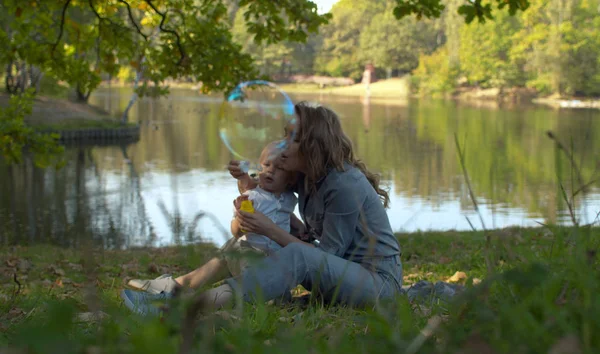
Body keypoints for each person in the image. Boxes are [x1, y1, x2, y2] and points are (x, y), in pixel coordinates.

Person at [123, 102, 403, 314]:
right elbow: (264, 185)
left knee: (295, 254)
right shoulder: (307, 177)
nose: (283, 145)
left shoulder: (343, 184)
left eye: (292, 138)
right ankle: (179, 287)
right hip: (339, 277)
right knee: (245, 244)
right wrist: (244, 179)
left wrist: (270, 228)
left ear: (311, 145)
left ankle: (188, 309)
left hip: (376, 282)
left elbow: (326, 257)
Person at [121, 142, 301, 313]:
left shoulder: (288, 198)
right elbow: (236, 230)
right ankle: (176, 290)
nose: (271, 170)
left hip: (276, 260)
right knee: (242, 280)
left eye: (279, 168)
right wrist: (241, 220)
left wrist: (299, 227)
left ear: (290, 179)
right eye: (266, 165)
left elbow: (284, 212)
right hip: (253, 255)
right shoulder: (251, 197)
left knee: (253, 290)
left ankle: (177, 292)